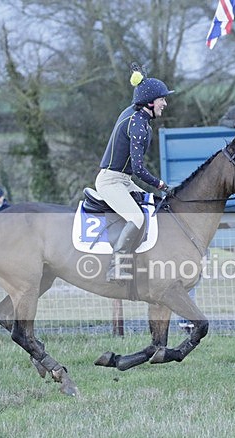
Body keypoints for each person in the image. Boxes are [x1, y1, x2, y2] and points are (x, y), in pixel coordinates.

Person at [94, 68, 172, 281]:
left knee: (154, 204)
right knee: (137, 217)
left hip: (123, 181)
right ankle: (116, 267)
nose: (164, 104)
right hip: (111, 182)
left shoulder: (138, 116)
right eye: (161, 99)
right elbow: (138, 170)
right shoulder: (137, 124)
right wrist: (162, 184)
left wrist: (142, 78)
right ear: (149, 102)